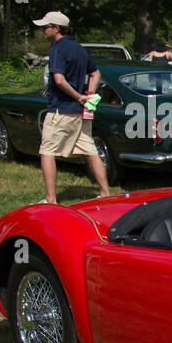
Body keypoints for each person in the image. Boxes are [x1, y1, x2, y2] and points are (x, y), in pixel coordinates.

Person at [31, 11, 111, 204]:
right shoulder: (79, 49)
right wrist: (89, 95)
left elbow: (58, 79)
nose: (43, 30)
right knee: (90, 151)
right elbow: (96, 73)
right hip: (80, 113)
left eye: (46, 26)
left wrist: (79, 97)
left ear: (56, 28)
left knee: (47, 151)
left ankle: (50, 199)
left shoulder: (58, 49)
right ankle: (106, 193)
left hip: (61, 109)